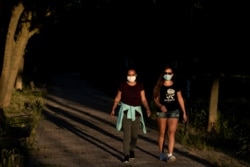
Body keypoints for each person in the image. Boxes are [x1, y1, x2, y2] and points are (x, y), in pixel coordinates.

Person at [110, 66, 151, 163]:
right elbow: (117, 97)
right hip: (125, 112)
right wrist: (113, 108)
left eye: (133, 75)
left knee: (134, 135)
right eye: (129, 75)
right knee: (126, 135)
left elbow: (143, 99)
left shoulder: (140, 86)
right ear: (127, 75)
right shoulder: (122, 85)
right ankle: (126, 154)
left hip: (136, 112)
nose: (131, 77)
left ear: (136, 75)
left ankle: (132, 149)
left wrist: (147, 109)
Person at [152, 65, 187, 162]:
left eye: (169, 73)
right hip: (162, 112)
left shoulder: (176, 85)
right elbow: (155, 99)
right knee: (162, 132)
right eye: (166, 73)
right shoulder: (159, 85)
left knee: (171, 132)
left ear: (172, 74)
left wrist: (184, 112)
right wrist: (160, 106)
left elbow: (180, 98)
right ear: (163, 74)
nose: (167, 75)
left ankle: (170, 154)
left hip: (174, 111)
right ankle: (161, 153)